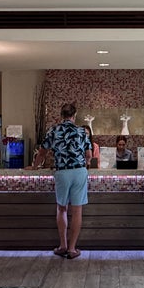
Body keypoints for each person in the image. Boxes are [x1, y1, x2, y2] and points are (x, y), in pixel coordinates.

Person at [32, 102, 93, 259]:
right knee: (77, 210)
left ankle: (63, 245)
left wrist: (34, 167)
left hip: (62, 172)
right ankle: (72, 249)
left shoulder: (54, 130)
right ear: (74, 115)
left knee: (62, 208)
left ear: (61, 115)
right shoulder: (81, 131)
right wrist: (85, 163)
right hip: (79, 172)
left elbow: (42, 152)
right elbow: (89, 155)